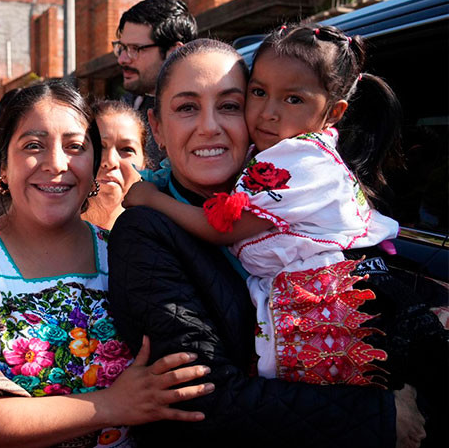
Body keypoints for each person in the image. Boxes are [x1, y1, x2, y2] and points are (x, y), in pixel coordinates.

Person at [107, 38, 427, 448]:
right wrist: (379, 417)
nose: (210, 126)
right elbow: (202, 396)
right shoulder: (146, 231)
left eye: (230, 105)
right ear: (156, 128)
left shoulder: (298, 196)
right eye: (187, 107)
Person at [0, 80, 213, 448]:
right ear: (3, 164)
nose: (55, 163)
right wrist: (111, 405)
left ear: (93, 165)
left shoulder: (127, 254)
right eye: (33, 146)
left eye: (75, 147)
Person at [114, 0, 196, 167]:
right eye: (121, 48)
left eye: (135, 49)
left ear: (174, 52)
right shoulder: (127, 108)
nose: (122, 59)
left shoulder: (205, 114)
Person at [82, 100, 146, 229]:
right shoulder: (45, 231)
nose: (110, 161)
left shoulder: (158, 233)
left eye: (127, 149)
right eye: (99, 147)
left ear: (144, 165)